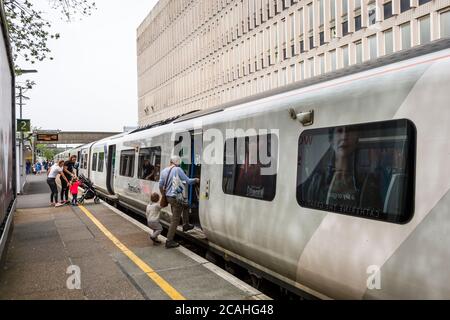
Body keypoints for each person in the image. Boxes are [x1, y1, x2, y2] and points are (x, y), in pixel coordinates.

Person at [159, 155, 199, 249]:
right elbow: (188, 181)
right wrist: (196, 180)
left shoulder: (164, 171)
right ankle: (169, 241)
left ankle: (186, 224)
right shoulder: (178, 170)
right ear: (178, 162)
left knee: (186, 204)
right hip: (175, 197)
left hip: (169, 197)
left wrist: (163, 194)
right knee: (175, 219)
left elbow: (160, 185)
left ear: (171, 161)